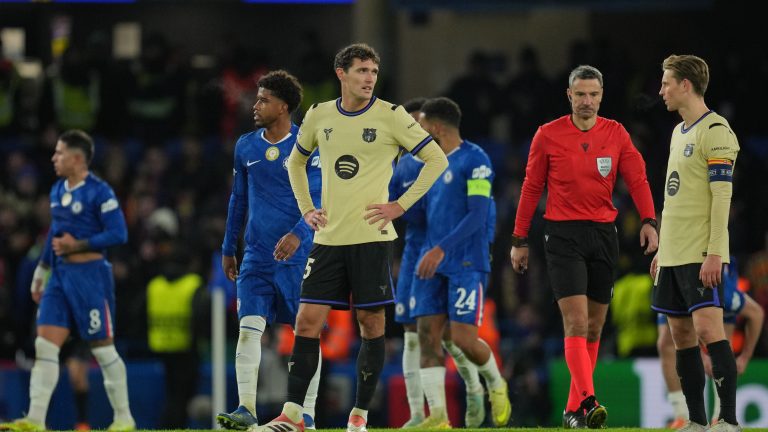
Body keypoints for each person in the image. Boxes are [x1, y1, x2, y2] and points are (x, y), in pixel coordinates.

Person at [251, 43, 448, 432]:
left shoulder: (391, 115)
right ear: (341, 73)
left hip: (371, 238)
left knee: (371, 326)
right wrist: (307, 209)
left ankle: (359, 416)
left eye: (373, 71)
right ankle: (293, 414)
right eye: (361, 71)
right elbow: (296, 161)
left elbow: (436, 159)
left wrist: (400, 206)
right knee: (306, 322)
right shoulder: (319, 115)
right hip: (327, 240)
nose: (369, 78)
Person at [510, 65, 658, 429]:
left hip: (603, 235)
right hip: (562, 236)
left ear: (601, 96)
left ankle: (572, 409)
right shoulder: (548, 135)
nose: (587, 101)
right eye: (580, 94)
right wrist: (519, 239)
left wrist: (649, 221)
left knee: (594, 326)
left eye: (593, 94)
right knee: (575, 321)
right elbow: (531, 187)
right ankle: (589, 401)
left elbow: (637, 178)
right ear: (569, 96)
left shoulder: (616, 133)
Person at [0, 130, 135, 432]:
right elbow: (56, 232)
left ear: (76, 158)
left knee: (103, 349)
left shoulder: (100, 192)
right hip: (59, 277)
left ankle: (124, 418)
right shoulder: (57, 190)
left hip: (91, 278)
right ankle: (35, 420)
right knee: (45, 346)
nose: (53, 158)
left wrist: (79, 245)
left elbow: (119, 233)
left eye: (59, 153)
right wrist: (41, 269)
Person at [215, 70, 322, 430]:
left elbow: (320, 198)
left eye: (264, 100)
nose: (255, 105)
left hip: (298, 255)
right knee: (249, 328)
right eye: (257, 98)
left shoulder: (308, 145)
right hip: (257, 255)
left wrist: (298, 234)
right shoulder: (246, 146)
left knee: (305, 333)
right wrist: (229, 247)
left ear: (284, 106)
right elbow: (238, 200)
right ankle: (246, 408)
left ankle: (307, 413)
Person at [651, 54, 741, 432]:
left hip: (701, 252)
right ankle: (696, 421)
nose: (661, 91)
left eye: (666, 83)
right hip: (673, 253)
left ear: (685, 85)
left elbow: (722, 197)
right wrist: (662, 249)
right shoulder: (678, 132)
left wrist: (715, 252)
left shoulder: (716, 130)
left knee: (708, 331)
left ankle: (729, 420)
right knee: (681, 337)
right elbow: (674, 197)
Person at [411, 97, 511, 428]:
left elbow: (478, 214)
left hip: (466, 262)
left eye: (422, 125)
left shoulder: (475, 159)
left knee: (463, 339)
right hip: (432, 261)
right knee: (427, 335)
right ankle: (438, 416)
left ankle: (495, 383)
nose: (418, 132)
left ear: (437, 127)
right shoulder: (428, 164)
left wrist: (441, 248)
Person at [658, 257, 764, 428]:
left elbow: (756, 314)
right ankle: (682, 415)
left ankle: (721, 417)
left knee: (719, 338)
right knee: (667, 341)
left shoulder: (728, 297)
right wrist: (702, 354)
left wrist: (745, 357)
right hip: (678, 266)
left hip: (707, 270)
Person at [389, 96, 429, 427]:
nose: (415, 129)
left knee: (447, 333)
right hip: (412, 252)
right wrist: (393, 257)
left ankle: (478, 389)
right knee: (410, 331)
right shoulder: (397, 167)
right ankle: (417, 413)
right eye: (410, 123)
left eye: (420, 123)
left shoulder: (447, 163)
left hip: (444, 255)